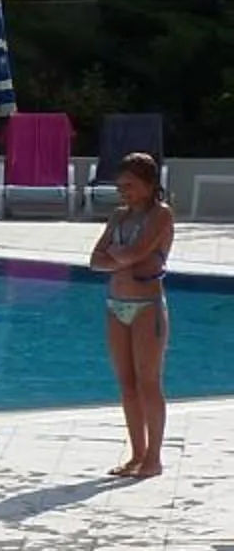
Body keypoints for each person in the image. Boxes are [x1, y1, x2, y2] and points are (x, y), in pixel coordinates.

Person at [88, 150, 172, 478]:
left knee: (148, 382)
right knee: (126, 384)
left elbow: (137, 251)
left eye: (131, 185)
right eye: (120, 185)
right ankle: (136, 454)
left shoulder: (161, 215)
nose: (124, 191)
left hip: (146, 308)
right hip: (116, 304)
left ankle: (154, 457)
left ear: (150, 184)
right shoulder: (118, 217)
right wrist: (124, 258)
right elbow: (95, 260)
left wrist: (119, 256)